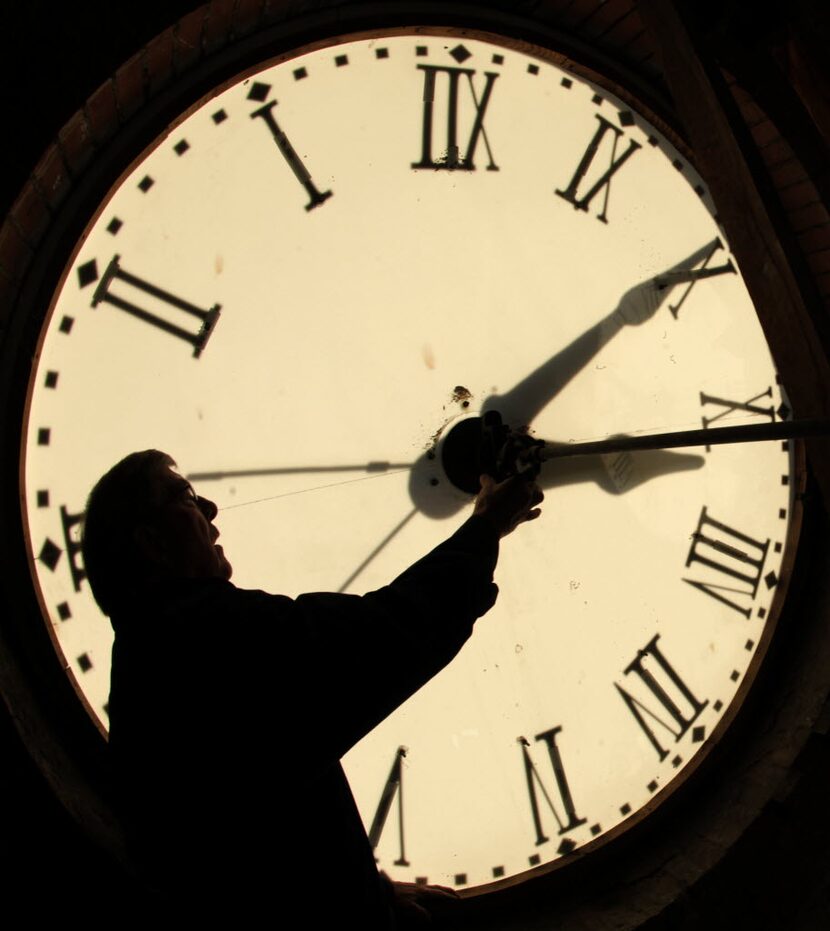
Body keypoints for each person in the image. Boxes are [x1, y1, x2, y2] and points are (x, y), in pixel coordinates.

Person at [82, 449, 542, 926]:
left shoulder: (152, 659)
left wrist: (363, 892)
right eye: (185, 497)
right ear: (151, 543)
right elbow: (383, 638)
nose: (210, 510)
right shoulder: (203, 638)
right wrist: (485, 528)